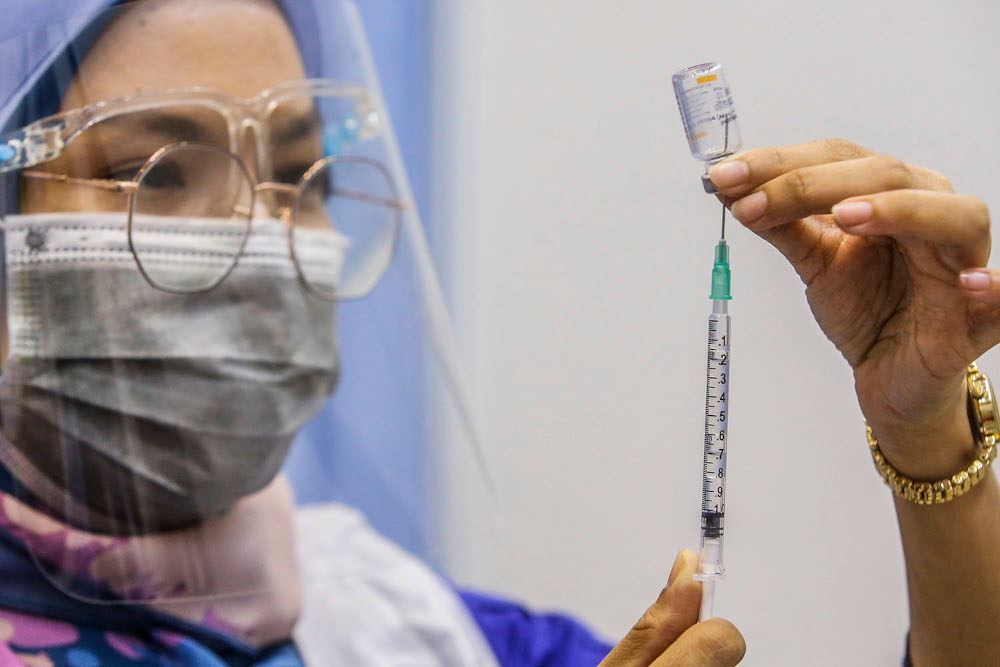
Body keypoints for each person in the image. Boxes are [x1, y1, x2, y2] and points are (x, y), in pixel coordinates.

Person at [0, 1, 996, 666]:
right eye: (158, 174)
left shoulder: (409, 629)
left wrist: (925, 432)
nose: (258, 237)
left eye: (300, 174)